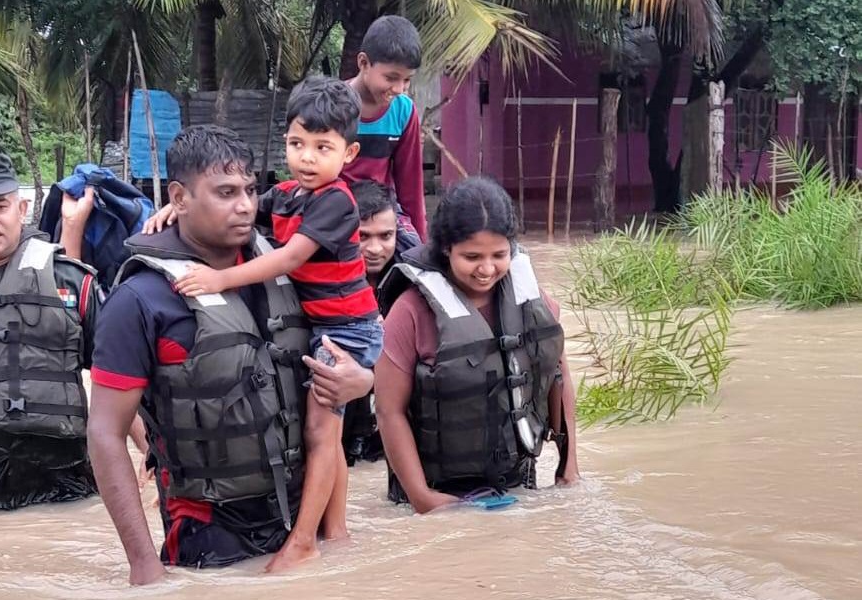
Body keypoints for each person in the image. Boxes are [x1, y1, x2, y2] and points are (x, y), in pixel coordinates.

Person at [88, 125, 375, 585]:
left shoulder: (291, 267)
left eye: (249, 190)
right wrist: (143, 565)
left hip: (308, 523)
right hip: (210, 533)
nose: (244, 205)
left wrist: (363, 381)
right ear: (178, 198)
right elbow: (104, 433)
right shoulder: (139, 300)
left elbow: (354, 344)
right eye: (225, 193)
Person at [144, 76, 383, 549]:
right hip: (322, 323)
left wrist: (218, 280)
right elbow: (242, 211)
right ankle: (336, 533)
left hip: (347, 330)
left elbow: (291, 257)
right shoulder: (291, 193)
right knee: (324, 433)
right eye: (297, 143)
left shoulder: (336, 201)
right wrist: (174, 212)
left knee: (320, 432)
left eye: (322, 146)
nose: (307, 157)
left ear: (348, 155)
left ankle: (313, 540)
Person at [375, 176, 580, 514]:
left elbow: (558, 377)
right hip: (434, 492)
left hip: (517, 484)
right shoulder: (410, 311)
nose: (486, 269)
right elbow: (388, 411)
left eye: (499, 255)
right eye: (471, 257)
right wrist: (423, 498)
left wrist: (568, 467)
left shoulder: (531, 300)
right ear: (446, 249)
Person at [0, 151, 104, 510]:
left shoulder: (69, 280)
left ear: (22, 210)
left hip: (61, 482)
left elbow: (116, 379)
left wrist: (151, 452)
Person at [344, 15, 426, 252]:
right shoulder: (335, 106)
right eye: (391, 78)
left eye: (407, 80)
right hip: (337, 209)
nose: (399, 89)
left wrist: (421, 248)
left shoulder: (404, 111)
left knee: (413, 261)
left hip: (384, 214)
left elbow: (411, 186)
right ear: (363, 63)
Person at [342, 180, 403, 464]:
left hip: (389, 430)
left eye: (385, 236)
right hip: (342, 425)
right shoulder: (323, 281)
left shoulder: (412, 278)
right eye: (362, 236)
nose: (374, 248)